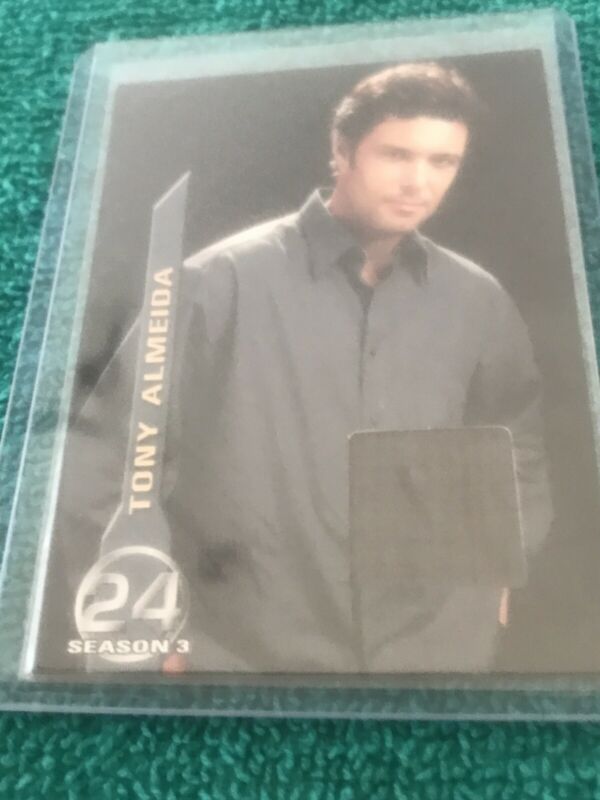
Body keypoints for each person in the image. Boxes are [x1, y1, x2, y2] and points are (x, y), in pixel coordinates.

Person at [164, 62, 553, 672]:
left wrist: (498, 570)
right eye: (397, 155)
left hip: (433, 655)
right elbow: (108, 460)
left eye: (443, 161)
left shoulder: (477, 299)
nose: (419, 182)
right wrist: (151, 628)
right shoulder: (217, 281)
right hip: (245, 655)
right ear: (342, 151)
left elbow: (516, 447)